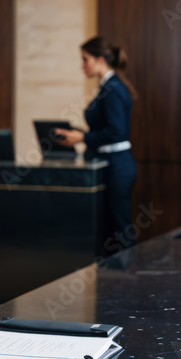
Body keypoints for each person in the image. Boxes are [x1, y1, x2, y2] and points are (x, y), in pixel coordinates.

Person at [55, 37, 138, 251]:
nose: (82, 65)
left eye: (85, 59)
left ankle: (132, 279)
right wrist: (79, 134)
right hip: (108, 163)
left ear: (100, 59)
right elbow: (108, 129)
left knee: (120, 229)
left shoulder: (113, 87)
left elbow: (116, 131)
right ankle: (112, 281)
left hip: (117, 166)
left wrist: (82, 138)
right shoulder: (107, 86)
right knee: (108, 229)